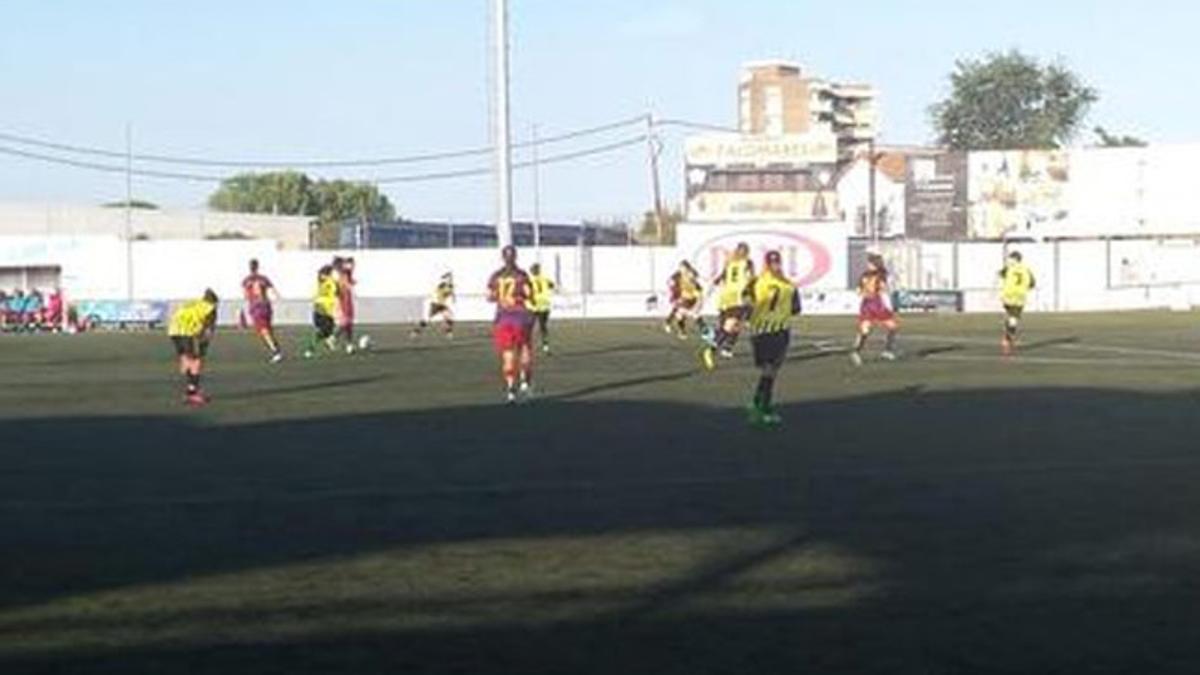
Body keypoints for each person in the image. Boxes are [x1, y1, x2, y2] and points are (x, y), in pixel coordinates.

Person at [745, 250, 802, 427]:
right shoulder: (789, 286)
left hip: (758, 331)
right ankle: (764, 409)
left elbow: (746, 301)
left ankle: (757, 402)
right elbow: (796, 309)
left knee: (766, 370)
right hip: (778, 331)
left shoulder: (756, 281)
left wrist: (749, 316)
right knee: (771, 371)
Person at [487, 245, 535, 404]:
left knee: (508, 354)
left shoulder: (495, 276)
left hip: (502, 318)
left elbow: (489, 297)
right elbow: (529, 294)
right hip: (521, 316)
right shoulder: (521, 275)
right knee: (525, 348)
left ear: (503, 257)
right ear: (515, 257)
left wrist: (502, 299)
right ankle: (524, 382)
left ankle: (510, 390)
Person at [702, 242, 755, 370]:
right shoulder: (747, 263)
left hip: (725, 298)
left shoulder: (730, 263)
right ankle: (710, 349)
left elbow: (720, 278)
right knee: (731, 326)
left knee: (733, 326)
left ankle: (725, 347)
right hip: (737, 298)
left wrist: (709, 291)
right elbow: (750, 280)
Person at [168, 289, 219, 407]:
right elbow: (208, 330)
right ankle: (192, 393)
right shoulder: (210, 308)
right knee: (196, 362)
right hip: (188, 332)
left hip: (173, 330)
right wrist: (203, 348)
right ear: (214, 302)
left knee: (186, 360)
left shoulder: (194, 303)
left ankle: (190, 388)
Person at [850, 252, 899, 366]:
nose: (868, 265)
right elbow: (884, 289)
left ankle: (856, 351)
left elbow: (858, 290)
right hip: (876, 303)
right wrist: (889, 303)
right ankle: (887, 350)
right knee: (892, 327)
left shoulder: (865, 275)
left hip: (866, 304)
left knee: (866, 329)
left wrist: (864, 292)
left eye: (870, 263)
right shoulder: (881, 274)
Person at [241, 259, 283, 363]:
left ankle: (276, 351)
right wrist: (279, 298)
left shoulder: (246, 280)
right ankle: (276, 348)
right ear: (258, 267)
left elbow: (245, 296)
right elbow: (274, 291)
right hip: (266, 305)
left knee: (263, 331)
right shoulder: (263, 278)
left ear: (250, 267)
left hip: (256, 307)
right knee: (268, 329)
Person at [999, 251, 1036, 355]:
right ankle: (1008, 337)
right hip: (1020, 297)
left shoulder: (1009, 268)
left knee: (1010, 317)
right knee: (1013, 319)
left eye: (1011, 258)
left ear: (1015, 259)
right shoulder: (1026, 269)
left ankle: (1007, 336)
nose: (1009, 260)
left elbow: (1000, 274)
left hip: (1008, 295)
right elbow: (1032, 283)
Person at [302, 265, 339, 358]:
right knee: (323, 331)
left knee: (329, 329)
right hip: (321, 309)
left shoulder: (323, 282)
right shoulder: (329, 282)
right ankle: (310, 348)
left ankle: (327, 342)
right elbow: (336, 292)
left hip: (324, 309)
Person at [664, 260, 704, 340]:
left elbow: (698, 287)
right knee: (679, 312)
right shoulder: (678, 275)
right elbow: (670, 282)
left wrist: (698, 294)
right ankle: (679, 329)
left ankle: (704, 330)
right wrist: (672, 289)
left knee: (692, 314)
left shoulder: (691, 276)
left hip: (691, 298)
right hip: (682, 297)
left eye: (683, 268)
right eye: (680, 268)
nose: (682, 270)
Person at [411, 272, 456, 339]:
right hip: (436, 305)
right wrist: (449, 278)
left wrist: (450, 277)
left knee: (449, 317)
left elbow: (450, 287)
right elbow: (449, 288)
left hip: (442, 305)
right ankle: (416, 332)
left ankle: (448, 333)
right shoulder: (441, 288)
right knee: (427, 321)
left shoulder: (445, 288)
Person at [528, 263, 556, 354]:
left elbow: (526, 292)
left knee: (529, 327)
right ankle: (545, 347)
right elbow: (552, 286)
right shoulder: (545, 279)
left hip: (534, 306)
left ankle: (529, 347)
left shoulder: (529, 280)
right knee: (543, 327)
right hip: (544, 305)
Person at [334, 257, 358, 354]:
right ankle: (334, 337)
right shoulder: (342, 273)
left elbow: (350, 282)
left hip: (347, 300)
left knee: (349, 324)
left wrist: (351, 283)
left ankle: (349, 345)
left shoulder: (346, 273)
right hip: (343, 300)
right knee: (345, 323)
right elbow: (344, 284)